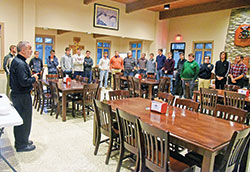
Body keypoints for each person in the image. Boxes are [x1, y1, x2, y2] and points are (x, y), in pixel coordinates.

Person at [10, 41, 38, 152]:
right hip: (22, 96)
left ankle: (23, 140)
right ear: (22, 50)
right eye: (29, 48)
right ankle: (22, 145)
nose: (31, 51)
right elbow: (24, 82)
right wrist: (33, 78)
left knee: (21, 120)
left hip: (18, 95)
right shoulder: (20, 63)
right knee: (24, 120)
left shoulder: (17, 61)